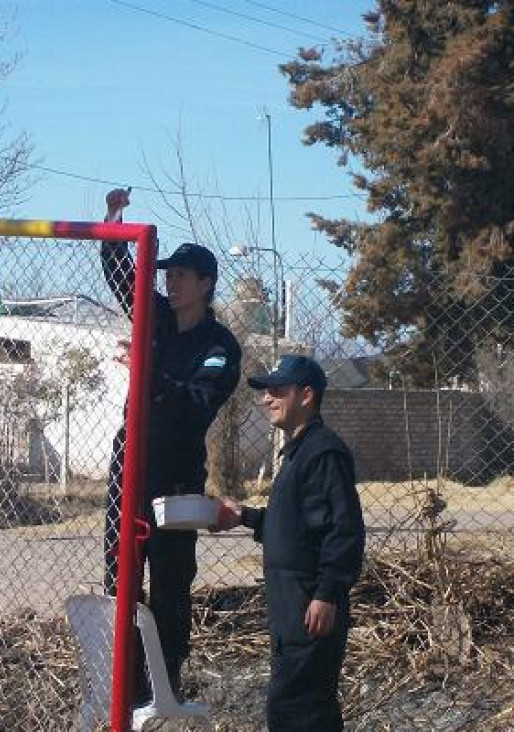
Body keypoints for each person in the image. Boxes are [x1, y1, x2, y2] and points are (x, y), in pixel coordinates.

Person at [100, 188, 242, 692]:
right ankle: (123, 677)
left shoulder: (219, 345)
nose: (169, 280)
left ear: (205, 284)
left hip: (176, 472)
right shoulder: (154, 315)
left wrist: (148, 374)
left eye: (180, 275)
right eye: (166, 273)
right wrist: (114, 219)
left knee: (170, 580)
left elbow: (197, 401)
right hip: (129, 460)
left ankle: (164, 682)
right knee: (120, 573)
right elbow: (121, 277)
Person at [214, 354, 366, 731]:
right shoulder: (298, 453)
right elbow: (298, 530)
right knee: (306, 708)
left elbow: (345, 530)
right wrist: (245, 517)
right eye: (266, 391)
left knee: (296, 709)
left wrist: (327, 593)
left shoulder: (323, 453)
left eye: (278, 390)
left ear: (307, 395)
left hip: (309, 607)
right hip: (291, 607)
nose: (267, 398)